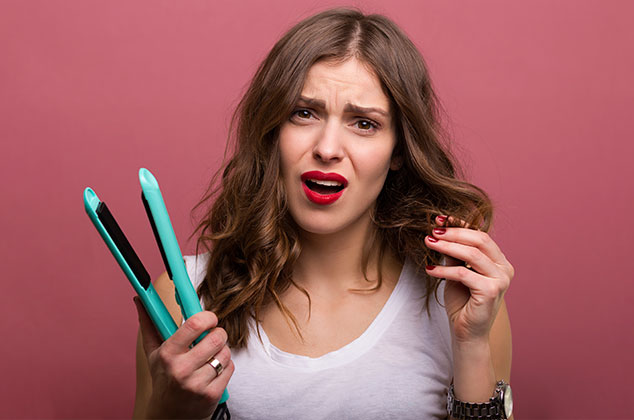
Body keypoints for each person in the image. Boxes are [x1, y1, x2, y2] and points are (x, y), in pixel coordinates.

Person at [133, 7, 513, 420]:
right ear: (273, 131)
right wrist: (171, 408)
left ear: (400, 151)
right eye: (304, 113)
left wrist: (472, 345)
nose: (328, 148)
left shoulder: (460, 301)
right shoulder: (184, 296)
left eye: (364, 123)